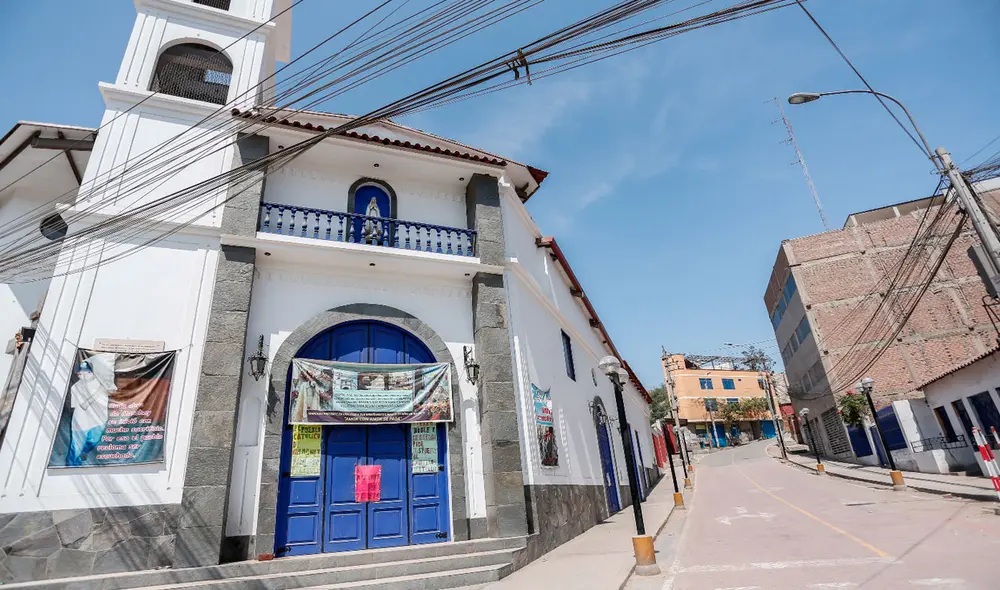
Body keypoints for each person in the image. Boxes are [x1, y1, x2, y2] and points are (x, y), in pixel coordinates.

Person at [67, 353, 117, 466]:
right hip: (81, 422)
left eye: (87, 372)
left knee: (94, 441)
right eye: (81, 373)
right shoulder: (76, 387)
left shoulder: (101, 382)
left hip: (99, 420)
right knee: (76, 447)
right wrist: (99, 392)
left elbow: (112, 390)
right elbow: (83, 405)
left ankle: (82, 454)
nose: (84, 375)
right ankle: (71, 466)